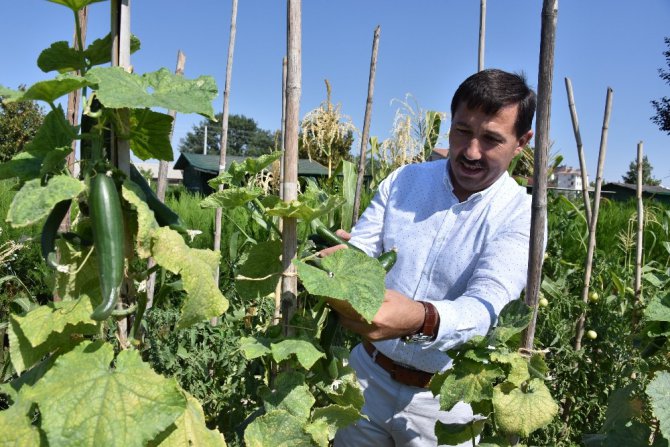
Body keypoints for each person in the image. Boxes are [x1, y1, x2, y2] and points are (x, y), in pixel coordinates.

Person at [325, 68, 537, 446]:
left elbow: (488, 306)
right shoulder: (405, 180)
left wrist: (422, 319)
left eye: (491, 139)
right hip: (364, 377)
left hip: (443, 402)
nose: (471, 151)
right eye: (462, 131)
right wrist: (342, 258)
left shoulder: (522, 214)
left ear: (521, 142)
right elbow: (365, 251)